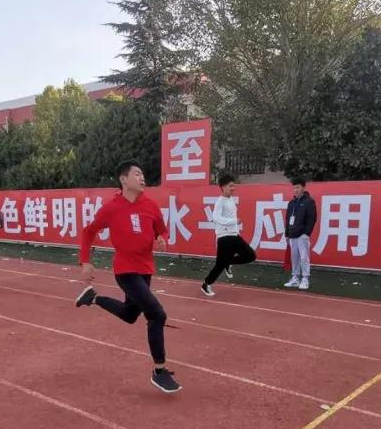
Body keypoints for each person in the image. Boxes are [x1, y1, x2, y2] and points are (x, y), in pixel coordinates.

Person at [75, 160, 180, 394]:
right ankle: (159, 371)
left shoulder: (150, 205)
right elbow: (88, 232)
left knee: (130, 314)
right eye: (137, 174)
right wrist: (85, 261)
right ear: (124, 179)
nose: (142, 178)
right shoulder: (112, 208)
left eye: (143, 174)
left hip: (146, 268)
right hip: (125, 270)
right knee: (157, 314)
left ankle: (93, 298)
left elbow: (161, 229)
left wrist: (161, 237)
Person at [201, 174, 256, 297]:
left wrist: (235, 228)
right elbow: (216, 218)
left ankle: (227, 263)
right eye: (230, 186)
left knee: (250, 255)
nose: (233, 188)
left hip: (234, 235)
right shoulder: (220, 201)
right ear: (223, 187)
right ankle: (206, 284)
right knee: (220, 264)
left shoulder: (231, 200)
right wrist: (234, 221)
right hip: (224, 237)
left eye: (234, 186)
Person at [284, 177, 317, 290]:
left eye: (298, 187)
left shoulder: (309, 202)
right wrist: (287, 234)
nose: (296, 190)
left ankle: (305, 279)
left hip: (302, 235)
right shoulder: (291, 203)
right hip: (292, 235)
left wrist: (306, 233)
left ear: (303, 188)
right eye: (294, 188)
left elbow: (312, 219)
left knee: (304, 257)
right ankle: (295, 278)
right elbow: (287, 219)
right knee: (295, 258)